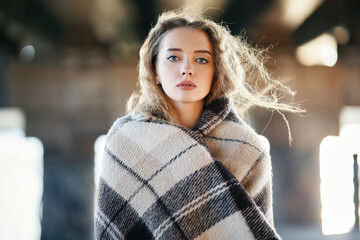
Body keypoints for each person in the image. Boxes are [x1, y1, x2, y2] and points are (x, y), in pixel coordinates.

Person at [95, 8, 302, 240]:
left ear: (216, 72)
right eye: (173, 57)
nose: (187, 69)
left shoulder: (247, 148)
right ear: (155, 71)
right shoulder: (125, 140)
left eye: (202, 59)